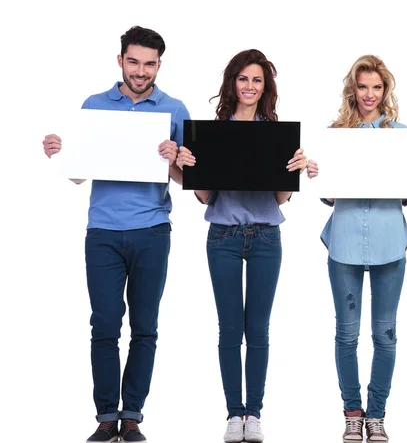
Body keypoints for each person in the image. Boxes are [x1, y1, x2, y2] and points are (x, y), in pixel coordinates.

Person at [42, 26, 190, 443]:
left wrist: (174, 158)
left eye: (149, 63)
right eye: (133, 61)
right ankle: (107, 415)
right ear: (120, 60)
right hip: (103, 230)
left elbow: (190, 182)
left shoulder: (175, 109)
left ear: (159, 64)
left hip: (152, 230)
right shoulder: (93, 105)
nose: (140, 71)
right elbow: (76, 175)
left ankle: (132, 417)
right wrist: (60, 150)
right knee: (105, 324)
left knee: (145, 326)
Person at [176, 48, 318, 443]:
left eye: (257, 79)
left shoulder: (275, 134)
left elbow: (279, 200)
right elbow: (205, 197)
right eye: (243, 79)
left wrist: (292, 171)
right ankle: (232, 413)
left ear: (265, 86)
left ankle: (253, 413)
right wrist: (192, 166)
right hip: (222, 236)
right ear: (232, 84)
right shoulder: (212, 132)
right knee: (229, 329)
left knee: (258, 329)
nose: (249, 86)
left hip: (266, 236)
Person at [320, 54, 407, 443]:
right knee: (346, 335)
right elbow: (329, 198)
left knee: (385, 334)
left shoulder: (402, 135)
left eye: (377, 87)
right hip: (345, 241)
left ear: (386, 90)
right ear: (353, 90)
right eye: (362, 87)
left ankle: (377, 414)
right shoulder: (334, 134)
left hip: (388, 243)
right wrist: (321, 174)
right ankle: (352, 412)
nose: (369, 94)